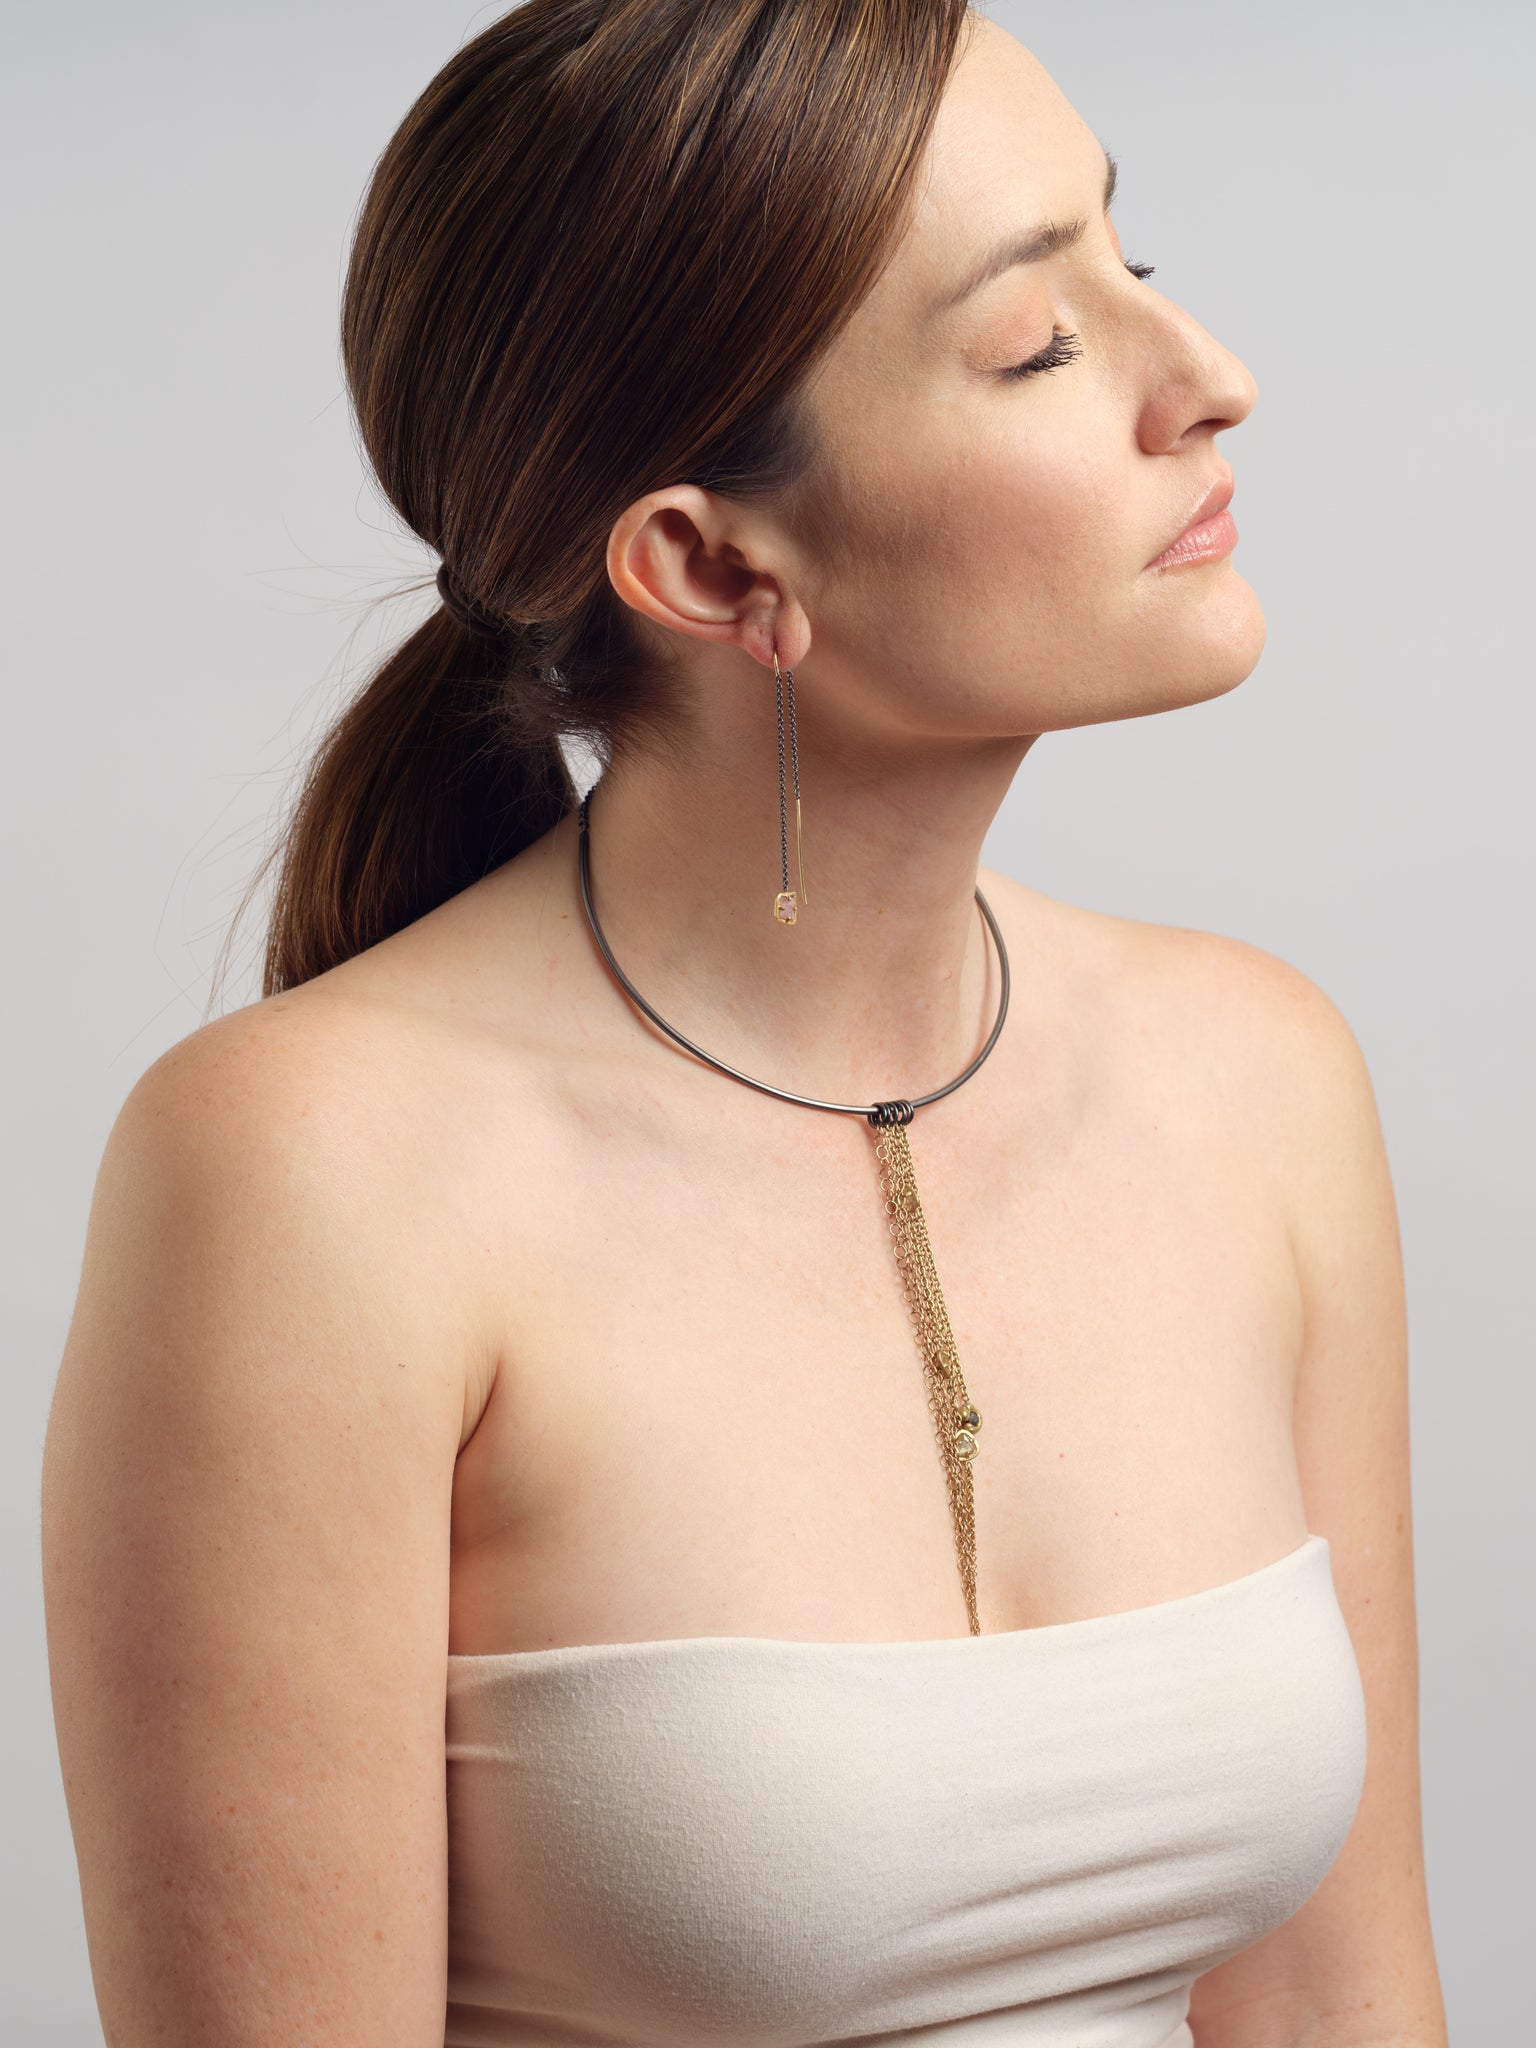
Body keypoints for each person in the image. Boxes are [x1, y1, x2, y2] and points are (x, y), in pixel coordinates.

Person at [41, 3, 1448, 2043]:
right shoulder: (313, 1179)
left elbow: (1340, 2007)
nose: (1211, 377)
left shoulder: (1259, 1078)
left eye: (1129, 253)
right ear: (712, 567)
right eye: (1039, 344)